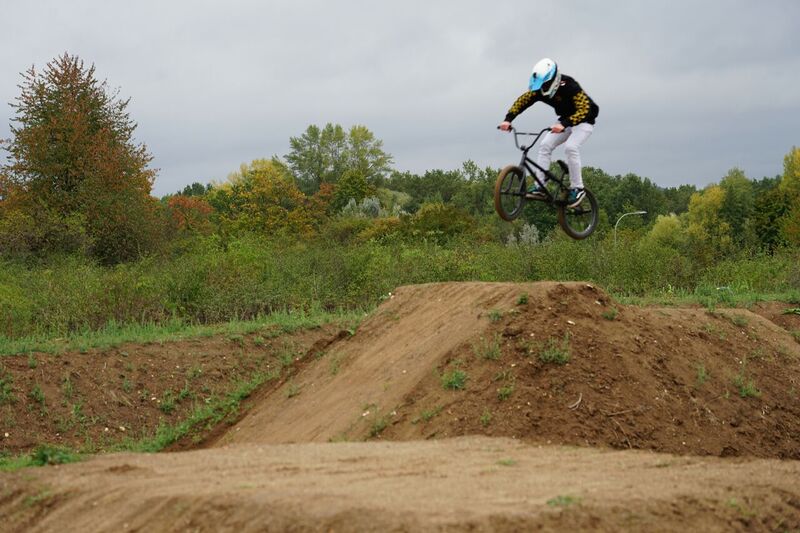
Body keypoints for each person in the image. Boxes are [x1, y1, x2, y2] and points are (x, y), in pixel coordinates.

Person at [498, 58, 598, 207]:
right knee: (545, 144)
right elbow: (523, 100)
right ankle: (540, 186)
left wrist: (564, 124)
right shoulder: (540, 90)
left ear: (554, 80)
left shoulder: (570, 86)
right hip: (565, 121)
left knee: (571, 147)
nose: (543, 89)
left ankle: (578, 188)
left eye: (545, 85)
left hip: (584, 121)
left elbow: (585, 109)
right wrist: (508, 119)